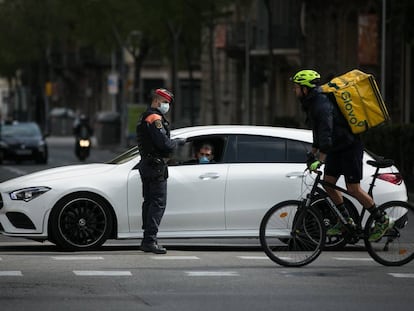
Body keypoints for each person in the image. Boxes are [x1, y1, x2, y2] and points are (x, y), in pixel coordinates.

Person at [291, 69, 391, 241]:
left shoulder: (321, 104)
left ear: (305, 88)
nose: (294, 90)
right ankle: (345, 221)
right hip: (337, 149)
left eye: (296, 87)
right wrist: (312, 154)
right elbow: (318, 133)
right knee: (328, 185)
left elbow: (326, 134)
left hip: (349, 147)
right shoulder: (311, 103)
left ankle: (382, 220)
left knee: (354, 188)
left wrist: (320, 160)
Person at [136, 88, 184, 254]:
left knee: (149, 202)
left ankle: (147, 238)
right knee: (157, 203)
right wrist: (176, 143)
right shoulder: (155, 118)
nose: (167, 106)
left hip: (147, 164)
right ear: (157, 101)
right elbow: (163, 143)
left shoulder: (145, 116)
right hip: (155, 166)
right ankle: (150, 240)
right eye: (165, 103)